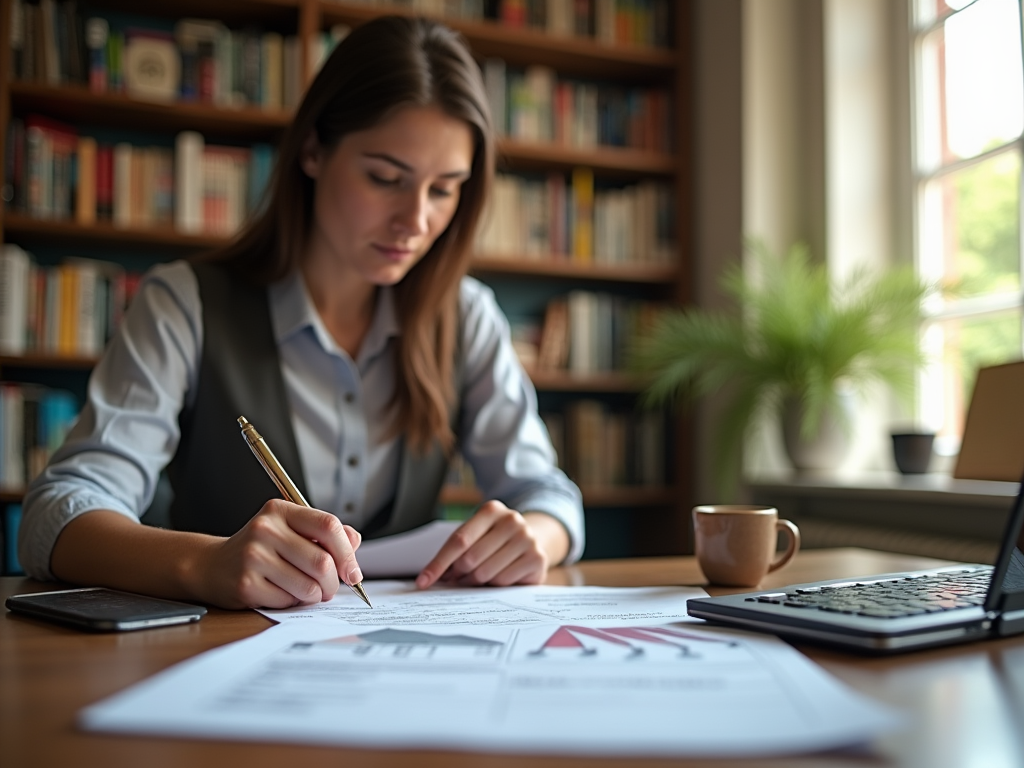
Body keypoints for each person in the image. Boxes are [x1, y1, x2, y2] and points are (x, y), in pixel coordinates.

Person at [18, 16, 583, 610]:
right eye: (385, 178)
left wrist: (535, 537)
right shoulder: (185, 303)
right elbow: (56, 514)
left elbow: (550, 497)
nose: (416, 221)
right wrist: (205, 564)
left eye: (444, 189)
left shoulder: (466, 315)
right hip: (217, 656)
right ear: (312, 150)